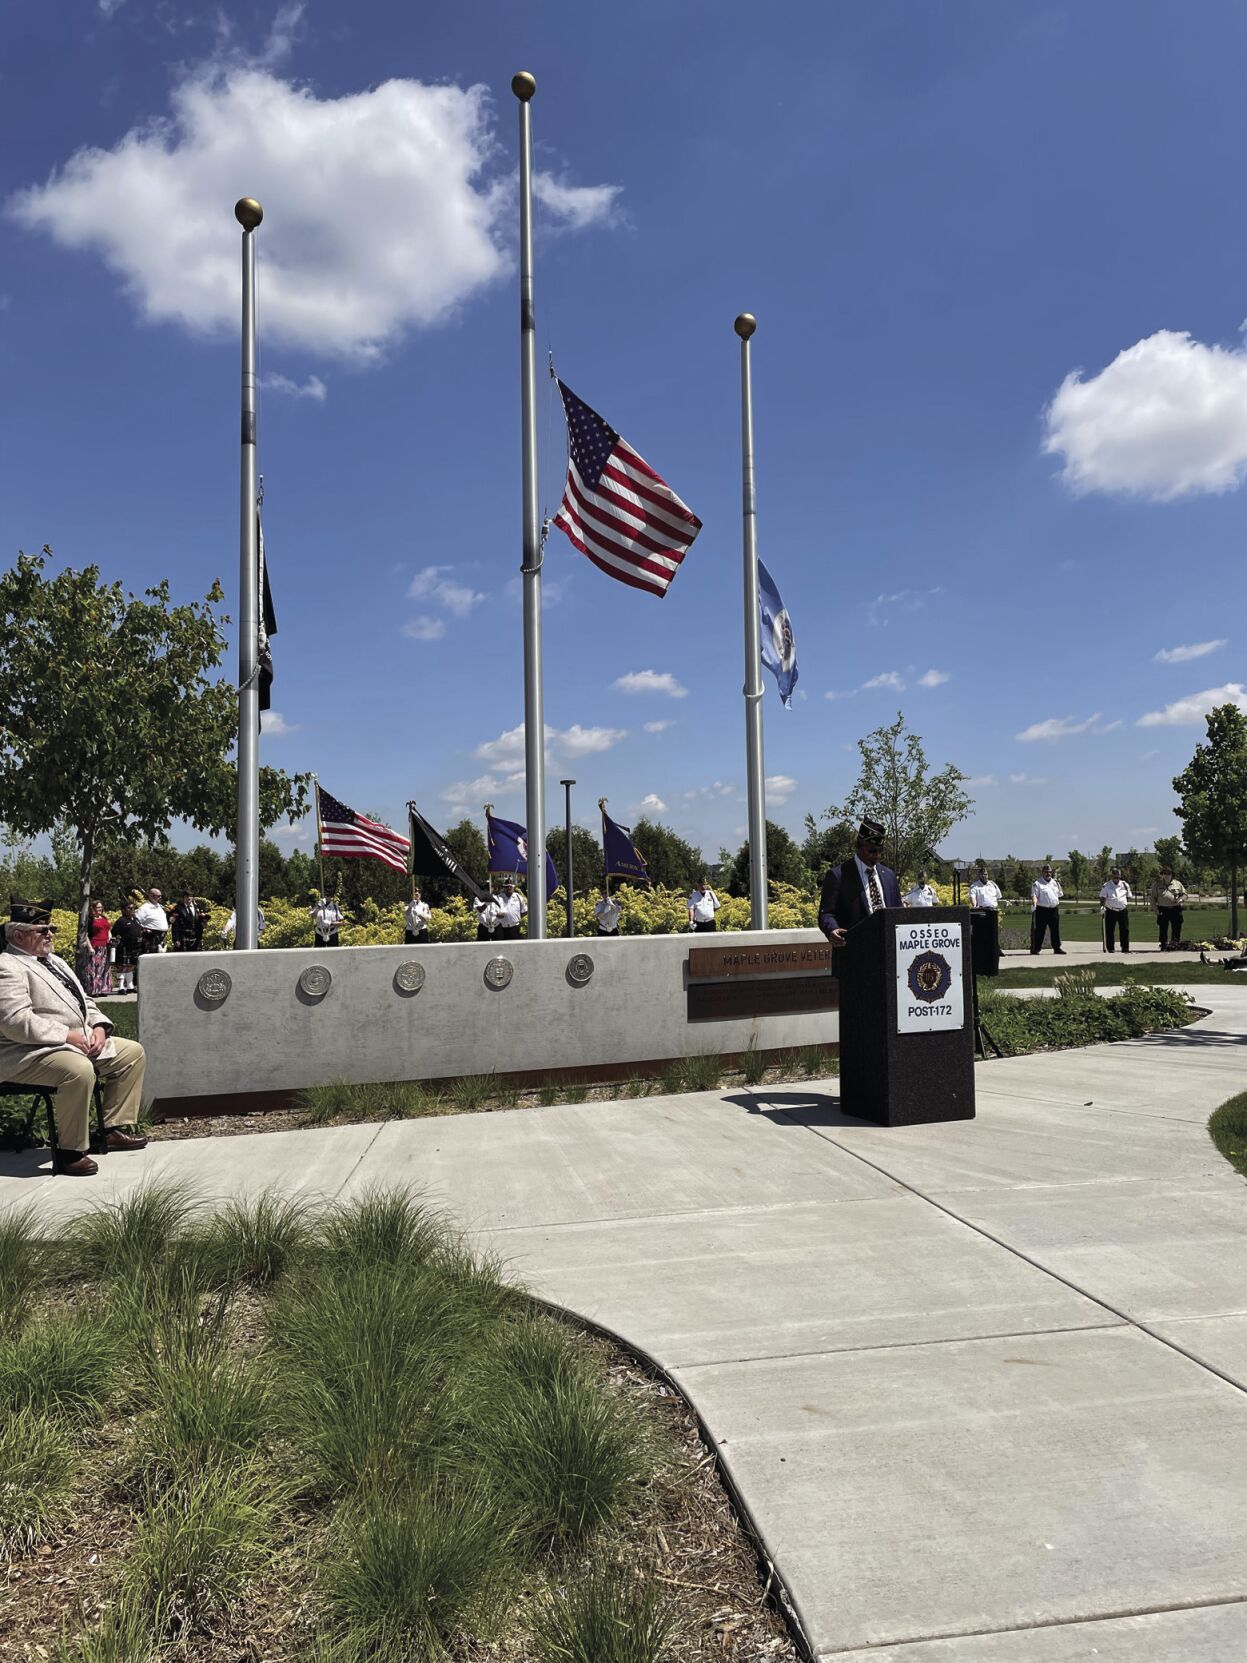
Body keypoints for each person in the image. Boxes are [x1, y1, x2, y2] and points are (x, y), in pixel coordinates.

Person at [0, 898, 148, 1177]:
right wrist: (68, 1036)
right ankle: (70, 1152)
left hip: (72, 1043)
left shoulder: (54, 961)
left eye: (50, 928)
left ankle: (110, 1129)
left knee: (131, 1054)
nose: (50, 934)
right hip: (26, 1053)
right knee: (78, 1071)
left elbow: (86, 1002)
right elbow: (15, 1022)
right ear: (17, 935)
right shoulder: (8, 966)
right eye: (42, 930)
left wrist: (100, 1028)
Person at [818, 817, 901, 947]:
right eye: (872, 851)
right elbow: (826, 914)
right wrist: (832, 929)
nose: (877, 856)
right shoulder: (838, 875)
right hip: (854, 952)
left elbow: (898, 912)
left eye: (880, 851)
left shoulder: (889, 875)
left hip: (888, 950)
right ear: (859, 846)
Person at [110, 901, 143, 994]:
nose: (132, 910)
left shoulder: (135, 919)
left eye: (133, 908)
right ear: (123, 910)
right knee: (122, 967)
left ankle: (130, 986)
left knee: (131, 966)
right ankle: (121, 987)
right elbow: (114, 933)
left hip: (135, 946)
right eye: (130, 908)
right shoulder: (121, 921)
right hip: (124, 946)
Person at [1031, 864, 1065, 954]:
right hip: (1042, 910)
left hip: (1053, 909)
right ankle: (1036, 948)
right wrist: (1034, 904)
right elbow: (1034, 895)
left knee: (1055, 929)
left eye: (1050, 872)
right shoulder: (1037, 883)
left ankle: (1057, 948)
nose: (1048, 873)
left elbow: (1059, 894)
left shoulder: (1055, 883)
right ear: (1042, 872)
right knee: (1040, 930)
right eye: (1046, 872)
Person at [1151, 866, 1187, 951]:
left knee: (1177, 927)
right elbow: (1153, 898)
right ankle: (1163, 944)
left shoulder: (1177, 884)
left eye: (1169, 873)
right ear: (1162, 875)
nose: (1167, 875)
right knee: (1163, 927)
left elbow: (1185, 894)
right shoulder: (1157, 884)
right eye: (1164, 873)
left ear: (1172, 875)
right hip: (1163, 909)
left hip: (1175, 908)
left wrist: (1181, 899)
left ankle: (1175, 944)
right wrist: (1156, 910)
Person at [1099, 866, 1132, 953]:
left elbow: (1128, 896)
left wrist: (1121, 903)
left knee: (1125, 929)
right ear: (1112, 876)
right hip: (1110, 910)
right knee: (1110, 929)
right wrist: (1102, 907)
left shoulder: (1125, 884)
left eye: (1118, 876)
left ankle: (1125, 947)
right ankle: (1110, 947)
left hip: (1122, 910)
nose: (1117, 878)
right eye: (1115, 876)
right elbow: (1102, 897)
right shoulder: (1106, 885)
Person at [83, 900, 112, 997]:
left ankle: (103, 989)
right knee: (94, 969)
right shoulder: (90, 920)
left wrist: (110, 937)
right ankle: (94, 989)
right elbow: (86, 935)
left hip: (105, 946)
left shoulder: (104, 918)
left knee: (104, 968)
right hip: (95, 946)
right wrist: (90, 947)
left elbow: (107, 929)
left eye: (101, 907)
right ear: (93, 908)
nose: (100, 909)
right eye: (98, 907)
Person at [134, 887, 169, 957]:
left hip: (162, 937)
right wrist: (144, 929)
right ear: (151, 896)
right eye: (158, 896)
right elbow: (136, 921)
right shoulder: (144, 908)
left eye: (160, 896)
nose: (160, 898)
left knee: (161, 959)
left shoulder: (160, 907)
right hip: (151, 937)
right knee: (151, 959)